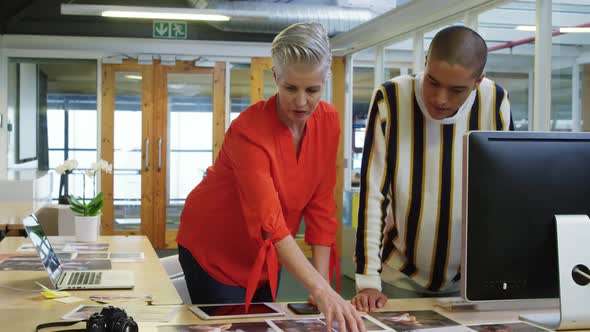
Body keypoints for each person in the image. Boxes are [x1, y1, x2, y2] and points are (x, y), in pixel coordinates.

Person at [177, 22, 365, 332]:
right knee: (234, 328)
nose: (301, 102)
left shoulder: (329, 121)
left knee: (266, 326)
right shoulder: (247, 132)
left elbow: (320, 209)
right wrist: (322, 289)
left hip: (266, 256)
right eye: (290, 88)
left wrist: (320, 289)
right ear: (276, 77)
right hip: (215, 247)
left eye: (312, 89)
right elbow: (270, 224)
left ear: (325, 81)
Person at [352, 26, 513, 312]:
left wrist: (499, 276)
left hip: (468, 278)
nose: (440, 98)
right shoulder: (390, 99)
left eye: (456, 90)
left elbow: (502, 197)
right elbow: (373, 193)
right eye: (433, 82)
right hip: (398, 274)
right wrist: (367, 279)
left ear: (478, 81)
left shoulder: (496, 102)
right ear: (425, 62)